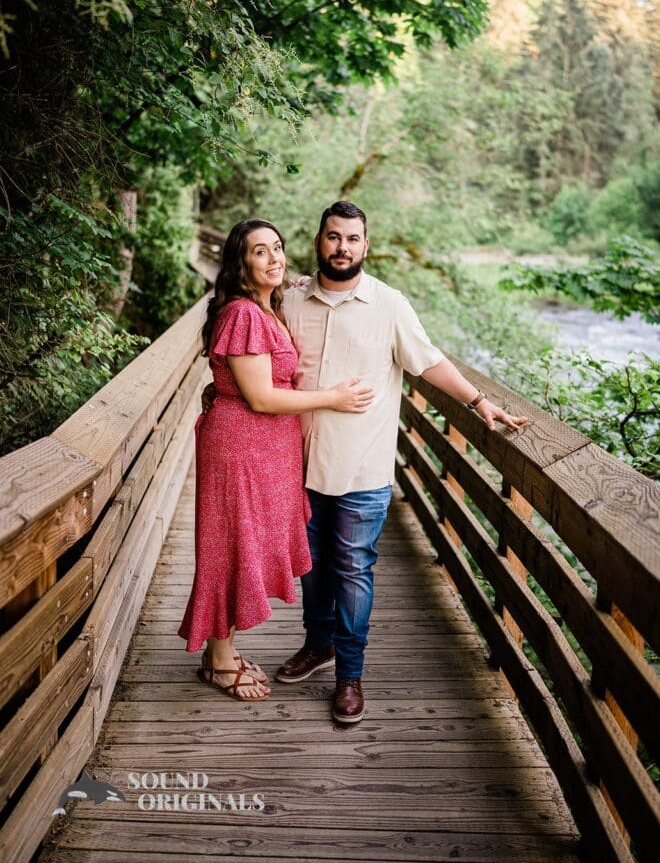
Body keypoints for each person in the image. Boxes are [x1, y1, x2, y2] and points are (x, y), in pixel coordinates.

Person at [271, 202, 528, 723]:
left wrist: (479, 402)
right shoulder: (290, 302)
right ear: (318, 241)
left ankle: (349, 674)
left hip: (362, 470)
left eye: (352, 238)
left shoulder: (389, 305)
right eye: (333, 237)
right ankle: (317, 645)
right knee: (312, 568)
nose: (342, 247)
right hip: (298, 466)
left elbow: (428, 361)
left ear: (366, 246)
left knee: (353, 570)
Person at [178, 218, 373, 700]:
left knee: (241, 542)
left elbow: (244, 378)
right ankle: (220, 661)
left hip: (261, 450)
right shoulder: (244, 314)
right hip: (241, 448)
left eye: (278, 248)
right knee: (229, 543)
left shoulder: (271, 308)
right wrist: (332, 398)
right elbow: (262, 396)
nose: (274, 258)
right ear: (240, 263)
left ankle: (220, 649)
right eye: (260, 251)